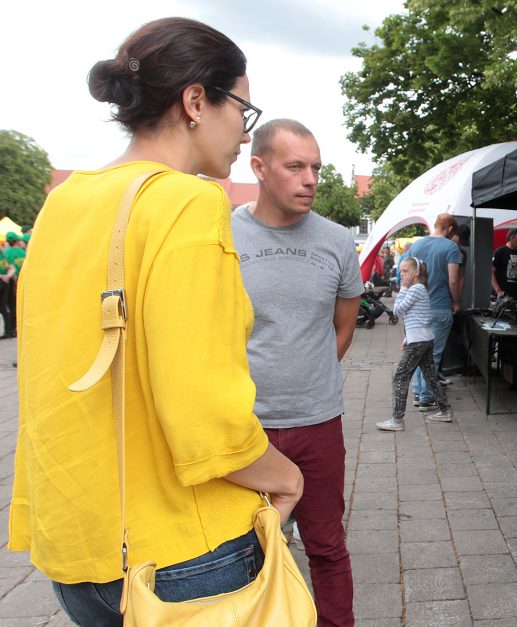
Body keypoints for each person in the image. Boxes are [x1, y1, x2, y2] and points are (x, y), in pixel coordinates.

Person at [8, 18, 303, 626]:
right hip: (180, 552)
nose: (245, 135)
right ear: (196, 100)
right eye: (242, 109)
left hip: (76, 547)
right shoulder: (188, 202)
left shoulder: (64, 202)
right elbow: (205, 412)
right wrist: (283, 472)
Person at [232, 118, 362, 627]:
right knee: (245, 550)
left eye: (316, 168)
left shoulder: (335, 240)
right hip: (244, 426)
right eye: (295, 167)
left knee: (328, 545)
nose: (310, 179)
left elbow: (343, 327)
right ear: (259, 168)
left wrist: (307, 377)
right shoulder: (221, 235)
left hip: (317, 422)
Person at [376, 257, 453, 431]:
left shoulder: (415, 289)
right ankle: (445, 410)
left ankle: (397, 420)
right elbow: (419, 319)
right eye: (401, 271)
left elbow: (397, 310)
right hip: (423, 338)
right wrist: (407, 338)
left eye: (405, 271)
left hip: (419, 341)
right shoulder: (420, 289)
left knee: (400, 377)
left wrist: (402, 288)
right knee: (430, 376)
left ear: (416, 272)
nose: (401, 275)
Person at [408, 214, 462, 410]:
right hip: (439, 307)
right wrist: (456, 302)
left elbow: (404, 274)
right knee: (433, 354)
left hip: (416, 308)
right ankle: (426, 396)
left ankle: (417, 392)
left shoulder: (417, 245)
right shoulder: (451, 248)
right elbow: (453, 279)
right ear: (448, 229)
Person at [492, 227, 517, 301]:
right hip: (503, 295)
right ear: (512, 238)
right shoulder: (500, 252)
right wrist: (498, 291)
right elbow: (491, 272)